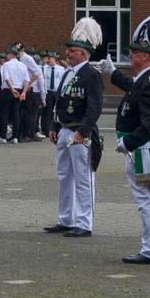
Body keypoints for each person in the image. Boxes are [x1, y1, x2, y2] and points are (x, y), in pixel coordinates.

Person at [99, 15, 150, 264]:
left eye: (133, 53)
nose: (129, 56)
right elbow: (131, 86)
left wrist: (130, 142)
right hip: (141, 150)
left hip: (143, 151)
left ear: (145, 56)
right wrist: (113, 73)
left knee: (147, 201)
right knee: (149, 200)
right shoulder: (145, 80)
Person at [43, 19, 104, 239]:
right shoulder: (67, 73)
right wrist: (54, 125)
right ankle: (65, 219)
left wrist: (82, 132)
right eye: (68, 50)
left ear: (83, 54)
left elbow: (94, 108)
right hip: (64, 130)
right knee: (64, 177)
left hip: (80, 133)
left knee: (83, 179)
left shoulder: (91, 75)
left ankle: (84, 223)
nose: (67, 53)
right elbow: (59, 102)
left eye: (72, 51)